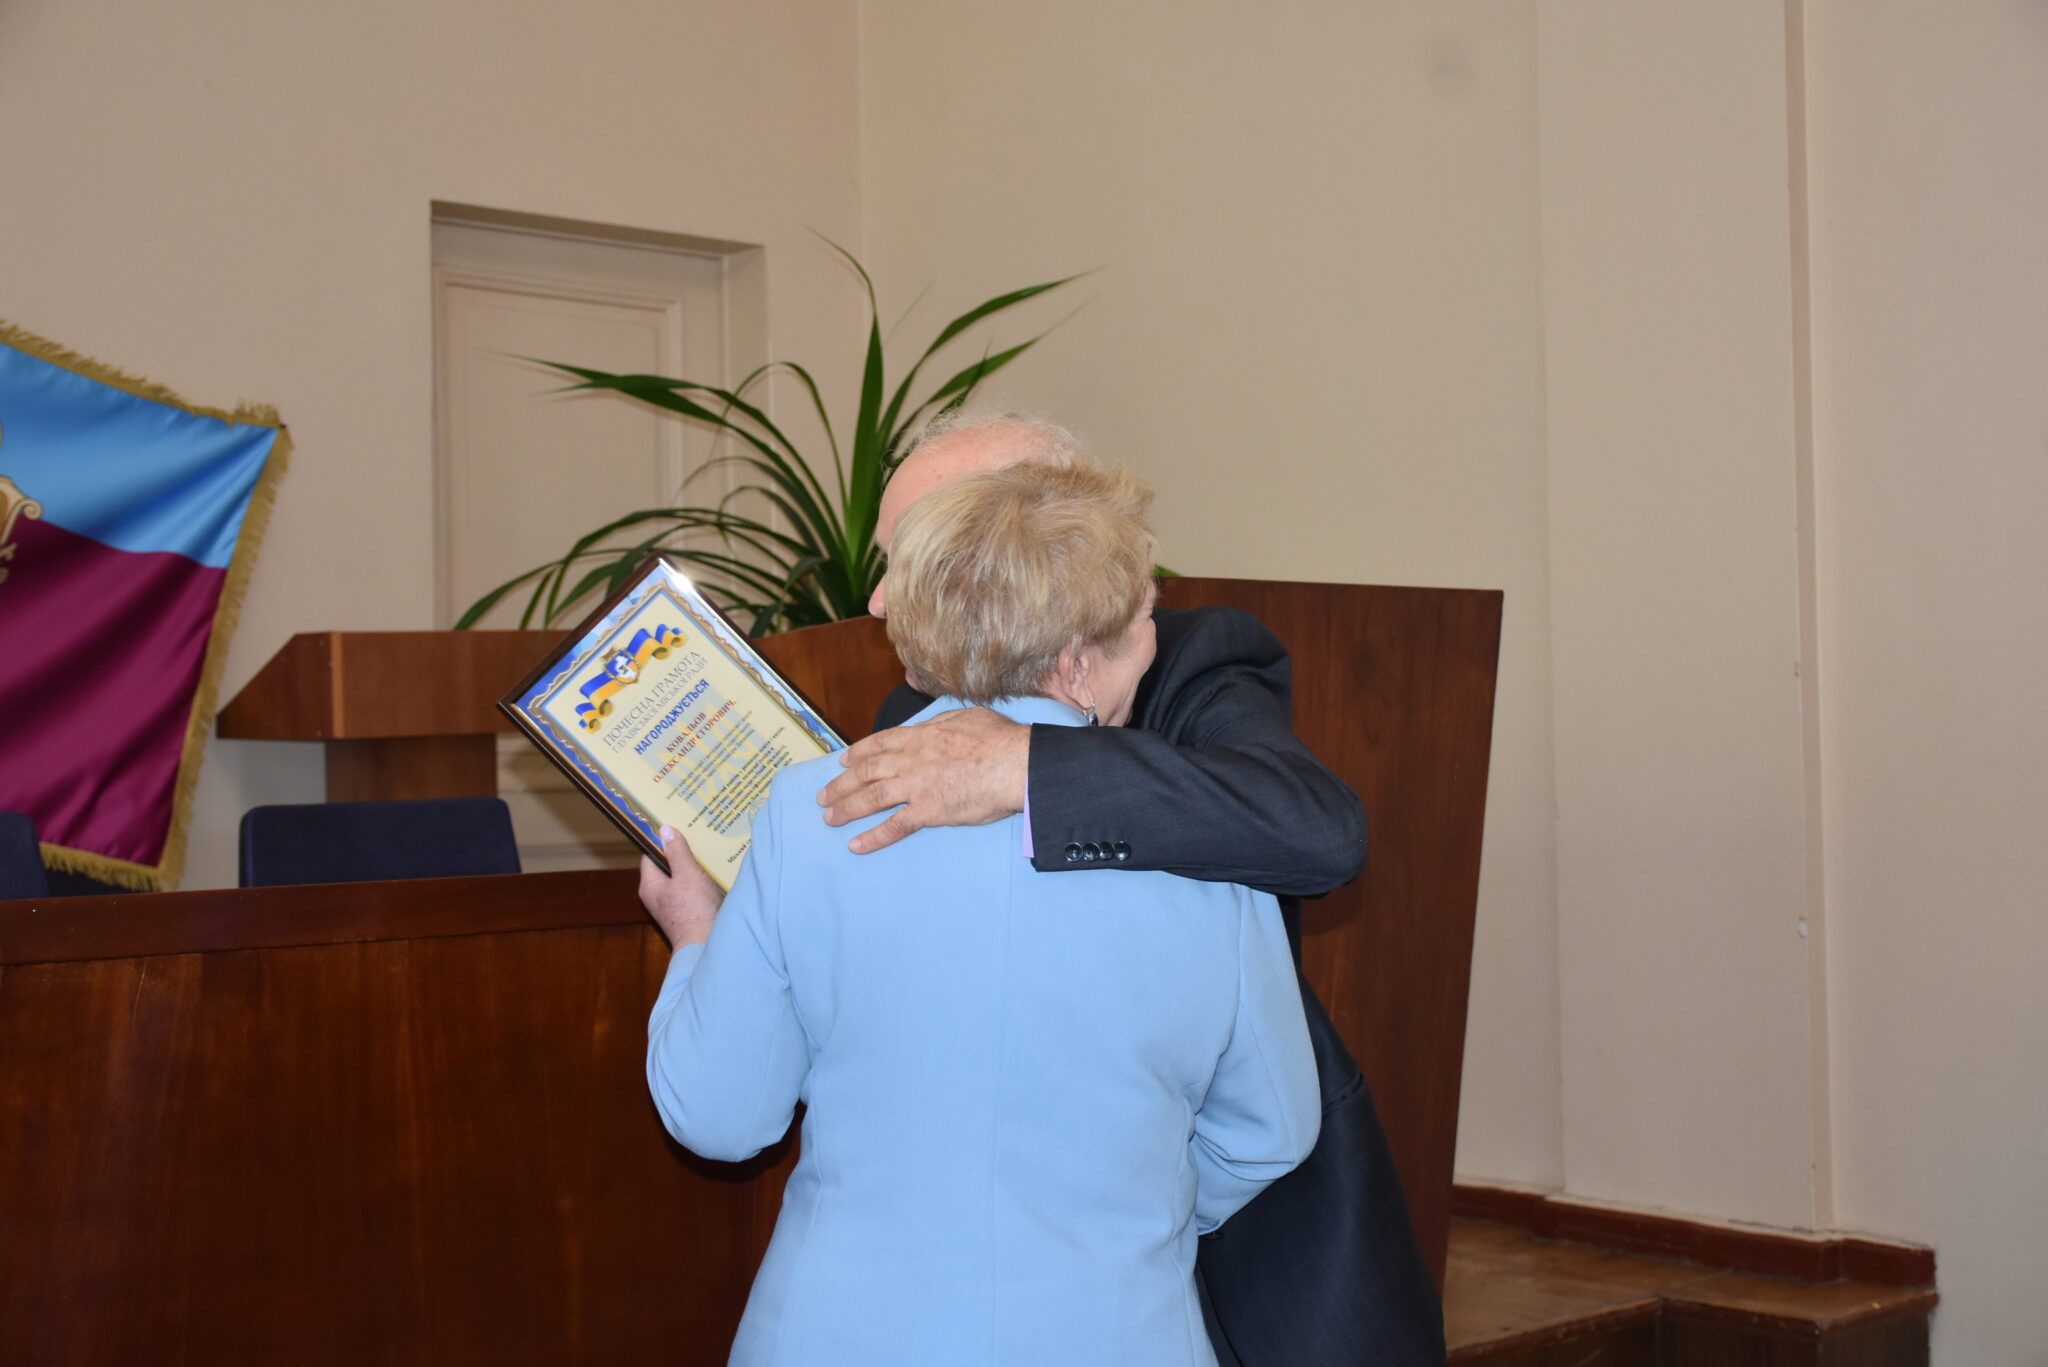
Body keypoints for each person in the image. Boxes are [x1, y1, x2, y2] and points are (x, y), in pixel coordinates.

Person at [641, 461, 1321, 1367]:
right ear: (1077, 663)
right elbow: (1272, 1132)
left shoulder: (810, 813)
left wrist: (696, 936)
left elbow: (722, 1114)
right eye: (1144, 617)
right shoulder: (1203, 843)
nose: (1156, 637)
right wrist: (1124, 1211)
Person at [815, 412, 1447, 1367]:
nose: (875, 599)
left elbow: (1318, 828)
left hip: (1255, 1235)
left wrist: (1030, 764)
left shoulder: (1189, 656)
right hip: (1026, 1231)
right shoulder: (912, 705)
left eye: (911, 551)